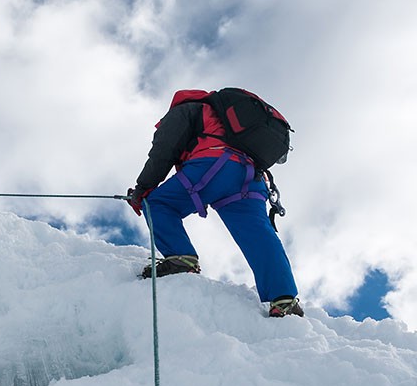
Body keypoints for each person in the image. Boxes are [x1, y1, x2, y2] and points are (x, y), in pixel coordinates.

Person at [127, 89, 304, 317]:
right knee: (258, 235)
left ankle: (181, 257)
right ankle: (284, 299)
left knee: (158, 203)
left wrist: (143, 189)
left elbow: (163, 151)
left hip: (215, 165)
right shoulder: (221, 115)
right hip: (252, 178)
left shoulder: (186, 110)